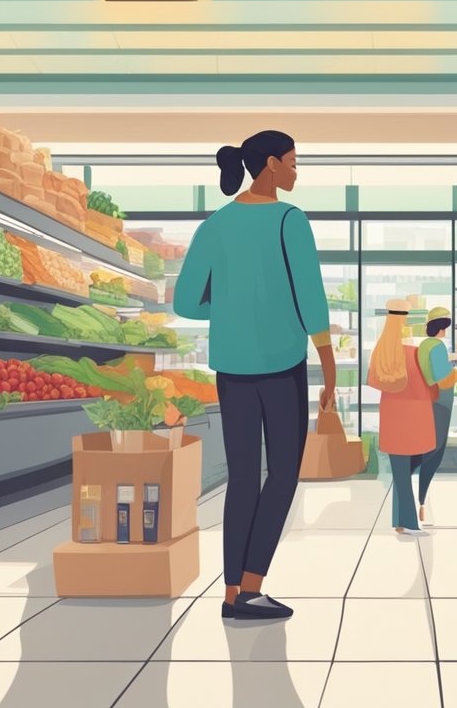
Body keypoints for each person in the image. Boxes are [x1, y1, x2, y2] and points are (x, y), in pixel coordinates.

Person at [174, 130, 336, 621]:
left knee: (243, 479)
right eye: (291, 161)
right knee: (283, 475)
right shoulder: (290, 220)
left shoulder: (215, 226)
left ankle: (230, 595)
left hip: (232, 369)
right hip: (283, 366)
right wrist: (328, 367)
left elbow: (184, 300)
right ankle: (251, 588)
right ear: (270, 164)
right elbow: (311, 298)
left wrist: (230, 310)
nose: (295, 171)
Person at [368, 300, 436, 535]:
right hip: (415, 418)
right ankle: (408, 522)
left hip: (393, 417)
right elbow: (431, 386)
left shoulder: (382, 350)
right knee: (407, 469)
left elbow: (373, 381)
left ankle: (400, 520)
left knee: (400, 471)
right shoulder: (416, 353)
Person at [415, 307, 456, 522]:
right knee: (434, 453)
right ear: (441, 327)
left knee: (426, 449)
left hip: (428, 401)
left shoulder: (423, 346)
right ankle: (421, 502)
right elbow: (444, 380)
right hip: (441, 402)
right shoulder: (437, 347)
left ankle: (419, 501)